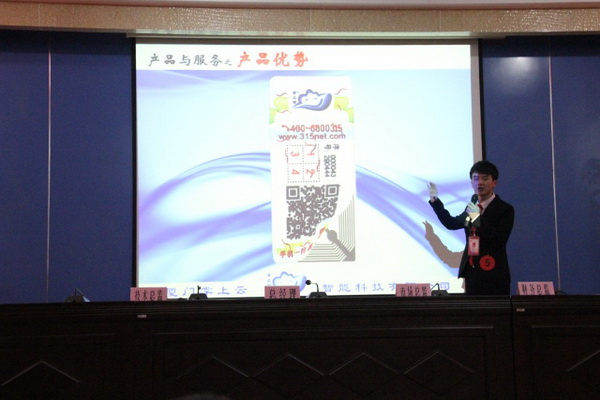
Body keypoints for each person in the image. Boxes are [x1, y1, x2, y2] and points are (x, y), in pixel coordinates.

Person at [427, 160, 514, 295]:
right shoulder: (472, 207)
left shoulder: (505, 209)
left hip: (494, 273)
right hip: (472, 273)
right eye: (476, 178)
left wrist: (478, 219)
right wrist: (435, 201)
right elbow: (451, 223)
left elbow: (499, 240)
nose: (480, 183)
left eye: (485, 178)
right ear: (471, 183)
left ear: (494, 182)